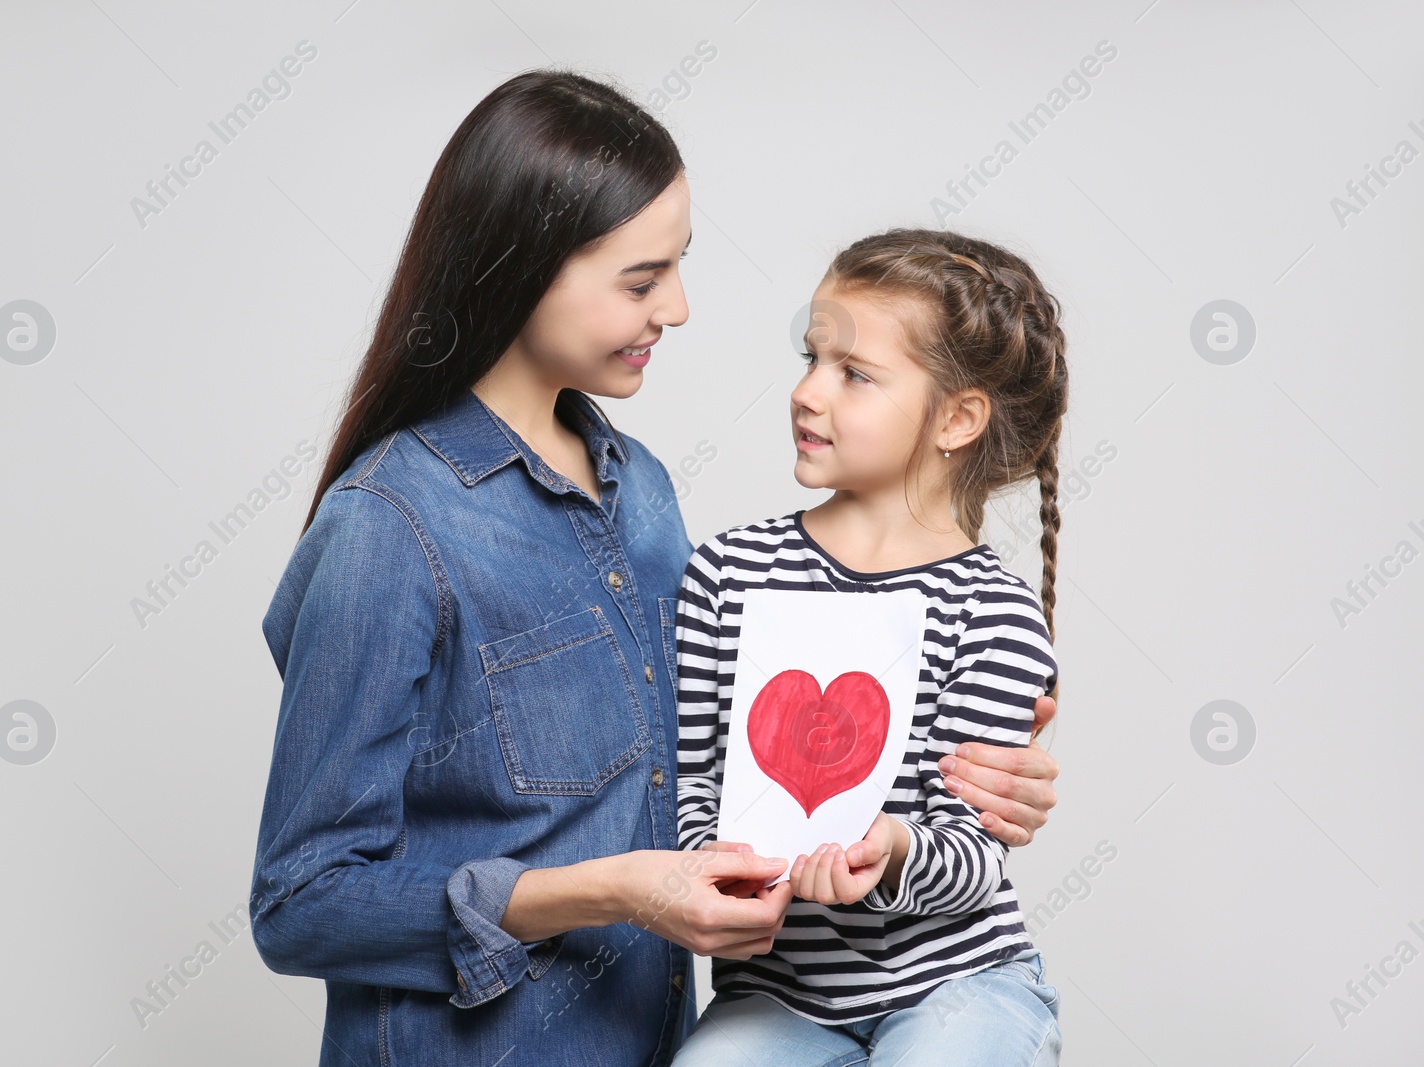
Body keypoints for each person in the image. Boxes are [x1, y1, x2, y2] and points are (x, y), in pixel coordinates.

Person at [248, 70, 1063, 1067]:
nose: (676, 307)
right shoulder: (389, 525)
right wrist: (613, 889)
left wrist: (970, 772)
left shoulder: (645, 497)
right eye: (641, 279)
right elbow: (301, 902)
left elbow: (733, 752)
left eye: (677, 266)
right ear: (521, 267)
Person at [671, 228, 1069, 1066]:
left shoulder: (992, 611)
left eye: (853, 373)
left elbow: (970, 851)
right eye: (811, 357)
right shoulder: (728, 572)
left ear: (957, 419)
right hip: (778, 992)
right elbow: (694, 774)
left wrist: (888, 848)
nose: (808, 392)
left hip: (956, 979)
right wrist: (717, 856)